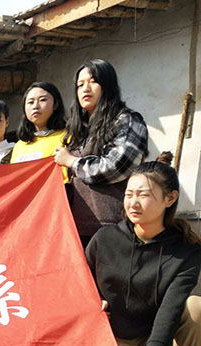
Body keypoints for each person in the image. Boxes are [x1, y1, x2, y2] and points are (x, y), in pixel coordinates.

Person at [85, 153, 201, 346]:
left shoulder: (186, 249)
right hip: (114, 335)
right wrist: (94, 300)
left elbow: (172, 308)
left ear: (170, 199)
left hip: (156, 332)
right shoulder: (105, 239)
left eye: (144, 195)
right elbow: (79, 284)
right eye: (129, 194)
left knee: (196, 307)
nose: (133, 203)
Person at [55, 59, 148, 245]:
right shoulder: (78, 130)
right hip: (77, 227)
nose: (85, 88)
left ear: (107, 85)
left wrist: (72, 161)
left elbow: (116, 167)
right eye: (80, 84)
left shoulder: (127, 120)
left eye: (93, 81)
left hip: (114, 226)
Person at [10, 82, 68, 181]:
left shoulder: (67, 137)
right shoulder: (19, 146)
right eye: (30, 102)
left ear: (56, 104)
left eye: (42, 100)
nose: (35, 106)